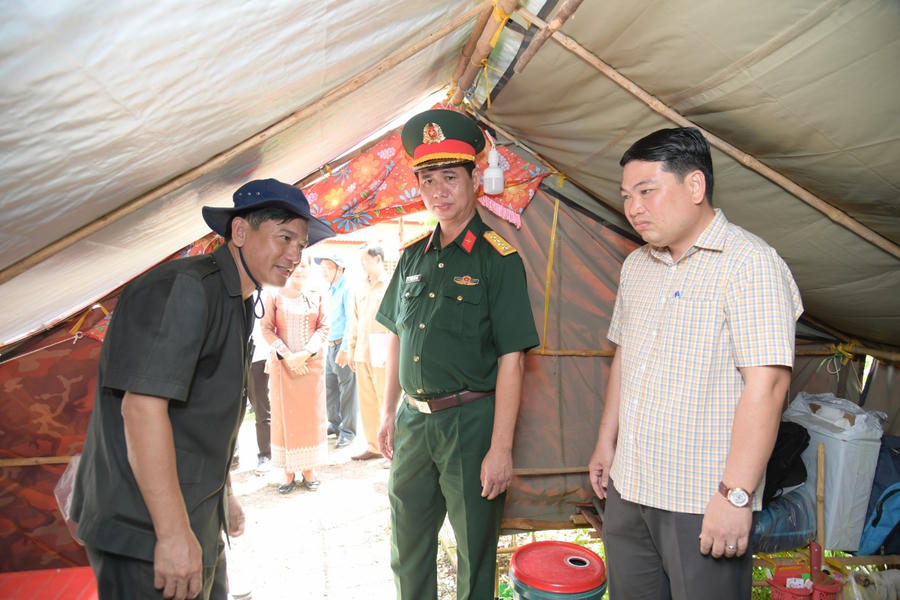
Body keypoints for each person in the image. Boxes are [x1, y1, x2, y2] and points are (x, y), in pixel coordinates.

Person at [70, 178, 333, 600]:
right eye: (284, 237)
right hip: (146, 529)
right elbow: (141, 410)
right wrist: (173, 534)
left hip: (194, 514)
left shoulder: (240, 297)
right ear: (240, 232)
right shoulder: (186, 289)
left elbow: (205, 416)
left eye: (301, 245)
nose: (294, 255)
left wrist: (222, 497)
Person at [587, 127, 803, 600]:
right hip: (630, 486)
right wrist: (608, 442)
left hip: (701, 500)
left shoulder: (750, 264)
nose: (634, 207)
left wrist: (736, 496)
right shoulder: (637, 266)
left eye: (647, 191)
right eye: (627, 196)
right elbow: (625, 355)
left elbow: (766, 388)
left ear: (695, 186)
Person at [376, 109, 539, 600]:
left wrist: (501, 447)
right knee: (407, 545)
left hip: (471, 423)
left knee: (473, 552)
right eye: (428, 179)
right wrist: (388, 411)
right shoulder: (410, 257)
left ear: (474, 179)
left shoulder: (498, 259)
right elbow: (397, 336)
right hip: (412, 422)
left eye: (450, 177)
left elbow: (514, 358)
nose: (439, 191)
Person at [260, 254, 329, 493]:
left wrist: (306, 353)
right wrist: (288, 356)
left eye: (303, 266)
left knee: (310, 416)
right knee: (283, 417)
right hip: (283, 367)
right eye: (295, 266)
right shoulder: (274, 295)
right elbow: (267, 329)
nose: (299, 270)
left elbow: (324, 327)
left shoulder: (317, 295)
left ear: (309, 269)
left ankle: (309, 469)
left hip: (311, 367)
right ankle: (287, 472)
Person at [346, 243, 391, 463]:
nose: (362, 265)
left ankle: (395, 450)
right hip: (362, 353)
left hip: (384, 351)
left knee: (388, 401)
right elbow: (354, 321)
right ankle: (374, 446)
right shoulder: (359, 287)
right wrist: (351, 349)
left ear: (378, 260)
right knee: (367, 403)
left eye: (365, 260)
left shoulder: (392, 284)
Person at [316, 253, 358, 449]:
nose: (323, 270)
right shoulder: (330, 290)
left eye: (328, 267)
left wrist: (346, 348)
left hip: (342, 346)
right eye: (322, 266)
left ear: (339, 269)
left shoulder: (347, 289)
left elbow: (351, 319)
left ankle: (348, 431)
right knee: (330, 388)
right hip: (330, 346)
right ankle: (334, 424)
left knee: (347, 389)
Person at [247, 319, 273, 475]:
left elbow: (271, 325)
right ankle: (233, 455)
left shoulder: (265, 295)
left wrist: (271, 354)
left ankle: (266, 454)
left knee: (261, 409)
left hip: (259, 357)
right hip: (238, 358)